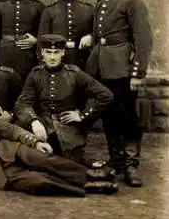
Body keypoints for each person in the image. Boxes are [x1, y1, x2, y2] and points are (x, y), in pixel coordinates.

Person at [0, 91, 119, 196]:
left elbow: (10, 130)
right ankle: (90, 187)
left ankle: (92, 174)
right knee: (36, 182)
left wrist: (34, 142)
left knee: (44, 159)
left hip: (11, 149)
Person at [85, 0, 153, 187]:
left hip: (123, 69)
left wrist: (138, 73)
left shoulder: (132, 2)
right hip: (102, 68)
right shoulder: (101, 3)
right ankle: (115, 161)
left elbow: (143, 40)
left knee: (128, 118)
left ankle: (131, 165)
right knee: (110, 117)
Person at [15, 34, 114, 165]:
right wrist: (34, 121)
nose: (52, 57)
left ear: (62, 53)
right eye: (48, 52)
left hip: (68, 130)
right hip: (42, 127)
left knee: (68, 164)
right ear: (42, 53)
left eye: (56, 52)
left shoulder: (74, 74)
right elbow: (22, 103)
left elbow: (106, 95)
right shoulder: (35, 74)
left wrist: (82, 115)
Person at [0, 0, 45, 80]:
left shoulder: (37, 6)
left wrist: (36, 41)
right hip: (5, 52)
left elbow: (42, 31)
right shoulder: (0, 6)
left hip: (27, 53)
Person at [38, 0, 93, 69]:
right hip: (58, 62)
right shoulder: (49, 11)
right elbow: (42, 41)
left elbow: (96, 32)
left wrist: (91, 36)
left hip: (83, 60)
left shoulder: (88, 9)